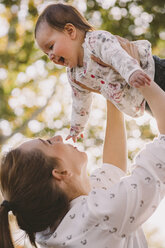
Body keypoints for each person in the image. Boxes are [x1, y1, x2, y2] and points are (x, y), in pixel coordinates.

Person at [0, 44, 165, 247]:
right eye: (49, 143)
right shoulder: (100, 216)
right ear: (60, 173)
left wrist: (110, 89)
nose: (59, 138)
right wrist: (134, 72)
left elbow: (112, 169)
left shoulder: (52, 228)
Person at [34, 3, 165, 141]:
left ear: (70, 31)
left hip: (153, 72)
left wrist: (132, 72)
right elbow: (79, 101)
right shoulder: (74, 75)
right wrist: (76, 127)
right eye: (46, 54)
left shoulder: (95, 42)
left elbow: (117, 56)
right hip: (144, 101)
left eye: (51, 47)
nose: (51, 56)